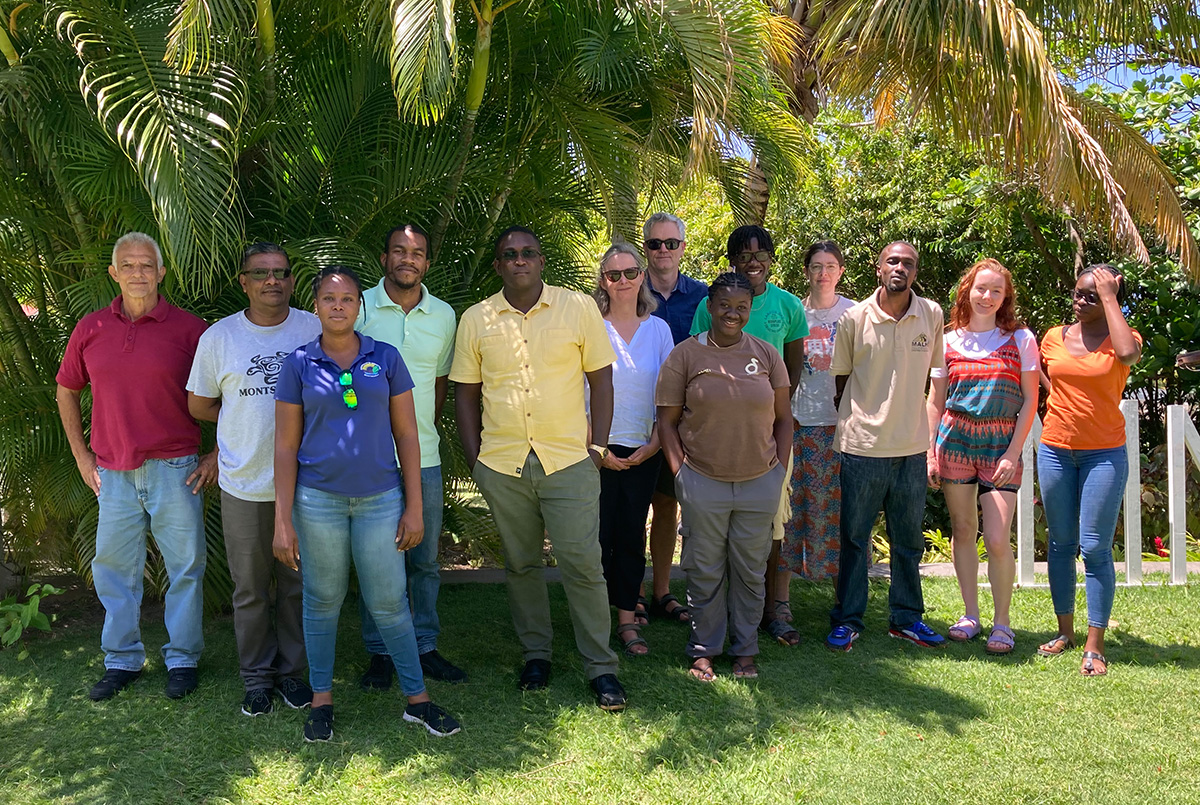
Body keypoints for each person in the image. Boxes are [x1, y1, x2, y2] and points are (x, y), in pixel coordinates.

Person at [273, 266, 460, 742]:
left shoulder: (386, 357)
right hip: (317, 503)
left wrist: (414, 506)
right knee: (322, 602)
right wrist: (282, 521)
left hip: (381, 500)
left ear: (360, 306)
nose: (339, 306)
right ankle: (321, 700)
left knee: (390, 603)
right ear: (315, 305)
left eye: (348, 299)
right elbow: (284, 447)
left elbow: (408, 436)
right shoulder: (298, 364)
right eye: (329, 299)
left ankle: (417, 700)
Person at [451, 226, 628, 711]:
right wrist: (477, 461)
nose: (520, 260)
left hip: (569, 459)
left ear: (542, 260)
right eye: (510, 255)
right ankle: (536, 655)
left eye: (528, 252)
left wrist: (596, 448)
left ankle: (601, 667)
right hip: (503, 464)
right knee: (521, 564)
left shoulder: (578, 308)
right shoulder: (476, 318)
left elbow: (602, 381)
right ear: (498, 265)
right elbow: (465, 393)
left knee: (583, 565)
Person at [56, 232, 215, 702]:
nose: (138, 273)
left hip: (176, 467)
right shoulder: (90, 329)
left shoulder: (192, 331)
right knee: (114, 571)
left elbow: (229, 397)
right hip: (113, 473)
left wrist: (217, 454)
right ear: (113, 273)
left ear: (162, 272)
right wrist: (82, 457)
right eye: (128, 265)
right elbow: (67, 390)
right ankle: (122, 660)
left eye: (147, 264)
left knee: (185, 568)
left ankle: (183, 659)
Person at [187, 242, 320, 716]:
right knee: (249, 588)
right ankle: (257, 679)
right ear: (243, 282)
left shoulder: (314, 327)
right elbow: (199, 404)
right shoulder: (220, 338)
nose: (273, 280)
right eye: (261, 272)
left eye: (281, 272)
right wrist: (239, 422)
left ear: (291, 280)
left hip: (307, 484)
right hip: (243, 482)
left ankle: (291, 674)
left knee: (296, 585)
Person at [657, 272, 792, 681]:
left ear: (749, 311)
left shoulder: (768, 355)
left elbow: (784, 419)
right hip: (703, 481)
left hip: (759, 481)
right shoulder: (685, 356)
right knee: (704, 568)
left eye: (741, 307)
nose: (732, 314)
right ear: (710, 307)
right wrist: (681, 474)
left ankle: (745, 649)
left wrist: (778, 471)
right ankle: (703, 649)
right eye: (724, 306)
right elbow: (667, 422)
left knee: (751, 569)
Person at [355, 224, 465, 687]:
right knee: (376, 559)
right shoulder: (357, 306)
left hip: (424, 458)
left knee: (423, 561)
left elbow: (438, 386)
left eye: (417, 253)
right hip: (367, 462)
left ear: (426, 262)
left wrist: (416, 434)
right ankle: (379, 651)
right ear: (385, 258)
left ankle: (425, 646)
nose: (408, 258)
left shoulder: (443, 315)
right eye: (399, 250)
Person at [826, 242, 946, 652]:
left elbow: (936, 379)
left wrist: (926, 437)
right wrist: (867, 419)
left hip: (911, 448)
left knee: (908, 539)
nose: (900, 268)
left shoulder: (930, 314)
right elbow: (840, 382)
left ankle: (907, 619)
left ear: (915, 272)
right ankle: (848, 619)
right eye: (893, 261)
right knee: (855, 538)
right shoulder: (854, 318)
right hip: (862, 447)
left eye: (908, 263)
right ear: (879, 269)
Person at [691, 225, 808, 646]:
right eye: (744, 254)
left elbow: (792, 370)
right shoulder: (712, 306)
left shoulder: (789, 306)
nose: (753, 260)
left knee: (773, 524)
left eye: (762, 253)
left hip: (771, 435)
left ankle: (776, 607)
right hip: (718, 438)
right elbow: (694, 366)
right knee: (723, 526)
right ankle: (723, 609)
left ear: (773, 259)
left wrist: (774, 416)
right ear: (732, 260)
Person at [924, 258, 1039, 655]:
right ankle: (971, 615)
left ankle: (1002, 622)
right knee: (962, 529)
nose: (987, 296)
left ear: (1005, 297)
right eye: (980, 288)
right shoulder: (947, 339)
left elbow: (1030, 401)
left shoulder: (1020, 339)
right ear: (967, 291)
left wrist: (1013, 451)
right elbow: (935, 400)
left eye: (996, 290)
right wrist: (930, 451)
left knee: (995, 537)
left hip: (999, 444)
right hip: (955, 441)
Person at [1036, 264, 1141, 676]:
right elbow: (1046, 377)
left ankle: (1094, 646)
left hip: (1104, 454)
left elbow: (1129, 356)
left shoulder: (1123, 339)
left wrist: (1111, 295)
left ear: (1111, 299)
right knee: (1060, 543)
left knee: (1094, 546)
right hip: (1056, 450)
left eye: (1091, 296)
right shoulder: (1053, 337)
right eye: (1078, 293)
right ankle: (1065, 632)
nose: (1080, 301)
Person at [591, 243, 674, 657]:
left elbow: (669, 395)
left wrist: (654, 444)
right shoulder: (590, 325)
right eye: (613, 274)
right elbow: (575, 391)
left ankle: (626, 620)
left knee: (629, 536)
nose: (622, 281)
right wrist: (596, 447)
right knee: (597, 537)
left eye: (629, 272)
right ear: (602, 281)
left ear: (642, 276)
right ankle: (594, 621)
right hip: (594, 450)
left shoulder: (658, 330)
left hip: (644, 449)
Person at [777, 242, 855, 621]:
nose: (823, 273)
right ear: (806, 270)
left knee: (839, 513)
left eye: (830, 266)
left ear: (841, 271)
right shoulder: (793, 310)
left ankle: (843, 600)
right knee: (789, 511)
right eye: (816, 266)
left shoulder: (856, 313)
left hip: (841, 426)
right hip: (795, 423)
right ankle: (781, 599)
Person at [642, 212, 707, 626]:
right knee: (630, 510)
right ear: (645, 247)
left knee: (667, 507)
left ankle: (662, 591)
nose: (663, 251)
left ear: (683, 247)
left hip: (684, 423)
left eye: (671, 243)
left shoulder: (703, 297)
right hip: (630, 418)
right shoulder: (625, 288)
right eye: (655, 244)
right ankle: (628, 594)